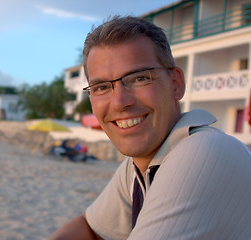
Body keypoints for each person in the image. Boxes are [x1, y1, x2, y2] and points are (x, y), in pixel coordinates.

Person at [49, 15, 251, 239]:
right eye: (101, 87)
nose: (119, 102)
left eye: (139, 78)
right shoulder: (142, 165)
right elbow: (89, 229)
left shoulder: (205, 152)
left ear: (176, 84)